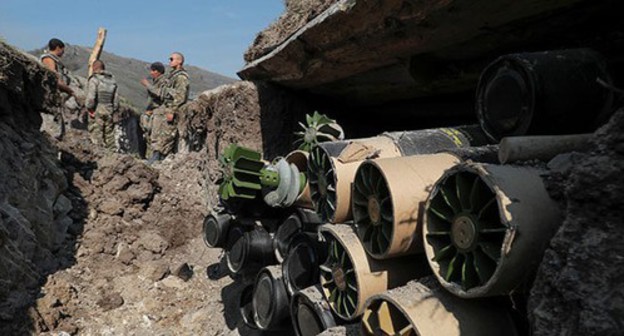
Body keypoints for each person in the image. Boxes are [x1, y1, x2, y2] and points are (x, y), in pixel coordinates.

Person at [141, 52, 190, 164]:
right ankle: (156, 159)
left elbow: (180, 96)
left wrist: (172, 111)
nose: (170, 61)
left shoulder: (181, 77)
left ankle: (159, 160)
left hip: (171, 110)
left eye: (172, 59)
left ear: (179, 61)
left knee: (165, 137)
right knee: (160, 136)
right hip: (165, 108)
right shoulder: (173, 76)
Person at [40, 38, 77, 139]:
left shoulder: (55, 60)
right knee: (52, 125)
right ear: (57, 48)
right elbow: (54, 78)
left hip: (57, 95)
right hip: (51, 95)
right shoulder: (49, 59)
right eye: (62, 49)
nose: (63, 52)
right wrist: (69, 90)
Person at [85, 60, 120, 151]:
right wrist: (113, 110)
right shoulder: (112, 81)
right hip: (109, 110)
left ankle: (99, 157)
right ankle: (113, 156)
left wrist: (89, 108)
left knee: (96, 136)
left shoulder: (94, 79)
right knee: (109, 136)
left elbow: (91, 97)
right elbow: (116, 100)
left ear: (94, 68)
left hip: (97, 110)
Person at [140, 62, 167, 158]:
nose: (151, 73)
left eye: (153, 70)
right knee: (151, 134)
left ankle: (156, 156)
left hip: (160, 111)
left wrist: (147, 85)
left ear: (158, 71)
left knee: (156, 135)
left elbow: (159, 93)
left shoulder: (163, 81)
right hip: (154, 111)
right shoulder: (156, 81)